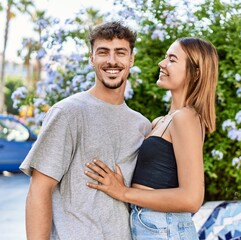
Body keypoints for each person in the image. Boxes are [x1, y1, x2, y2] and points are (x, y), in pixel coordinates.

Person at [20, 21, 151, 240]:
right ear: (92, 59)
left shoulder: (141, 125)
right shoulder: (68, 112)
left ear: (131, 59)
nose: (112, 61)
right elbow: (39, 189)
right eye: (103, 52)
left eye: (120, 53)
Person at [85, 37, 219, 239]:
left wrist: (123, 192)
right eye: (165, 57)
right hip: (152, 226)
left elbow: (192, 198)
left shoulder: (186, 118)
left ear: (195, 72)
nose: (162, 64)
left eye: (172, 60)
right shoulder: (160, 122)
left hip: (166, 229)